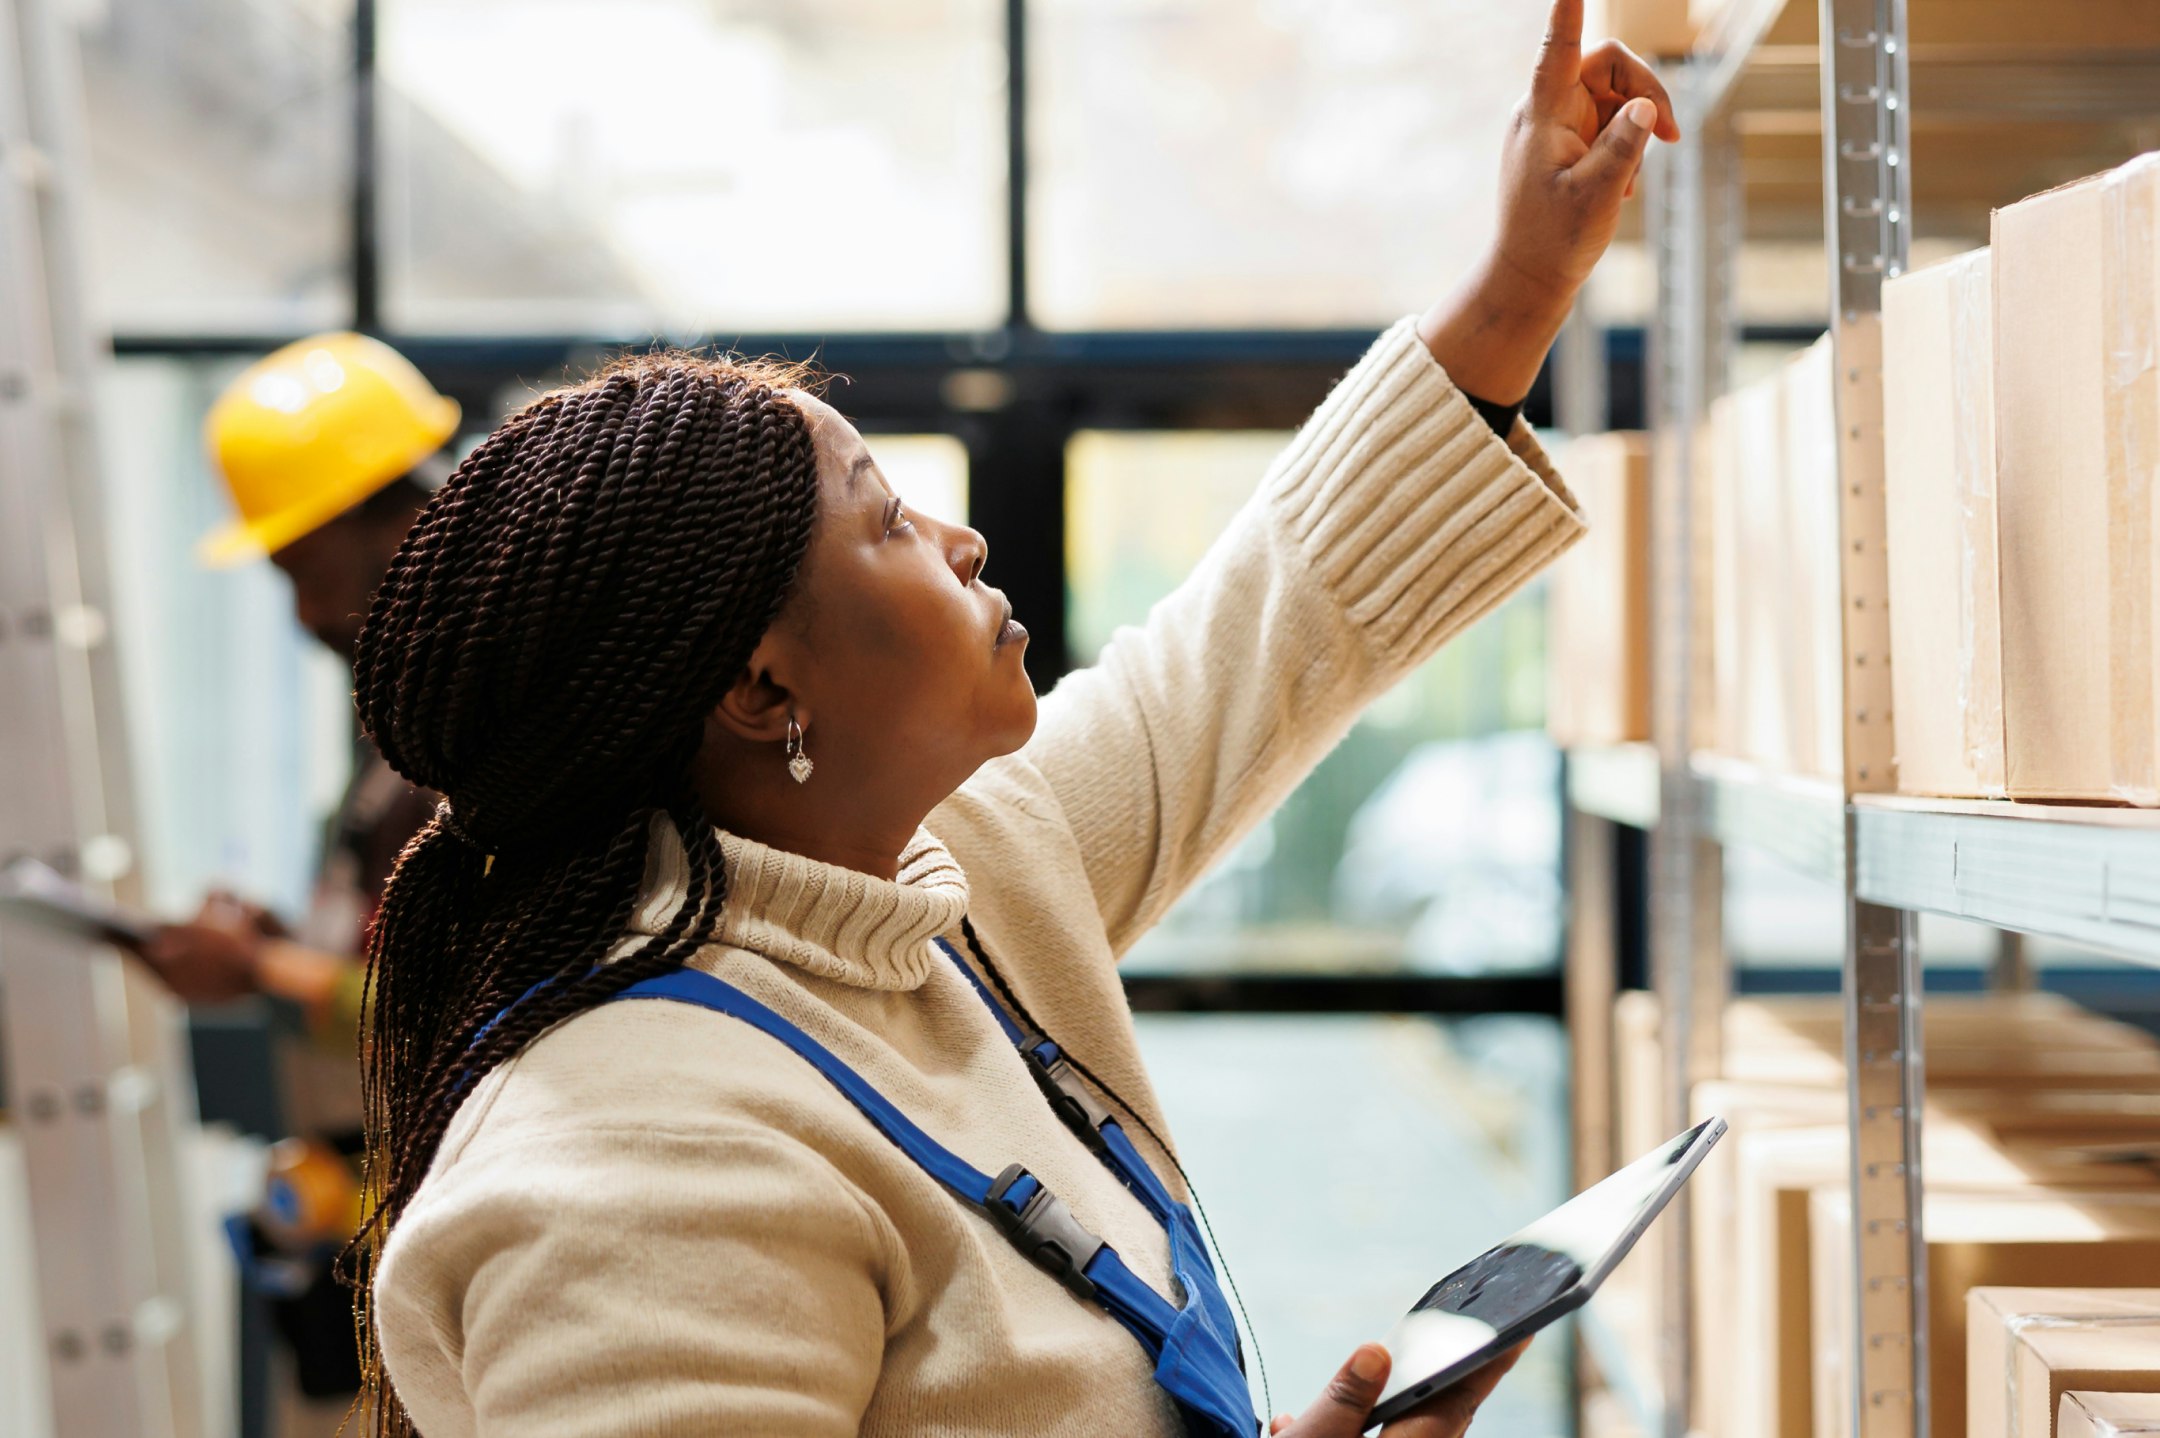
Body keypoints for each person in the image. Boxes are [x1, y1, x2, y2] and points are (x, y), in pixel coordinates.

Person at [355, 7, 1677, 1435]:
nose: (965, 537)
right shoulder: (633, 1172)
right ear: (762, 688)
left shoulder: (938, 888)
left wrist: (1519, 286)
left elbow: (1256, 637)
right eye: (887, 521)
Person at [141, 332, 456, 1407]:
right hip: (370, 1238)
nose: (310, 617)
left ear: (399, 520)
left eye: (309, 575)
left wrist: (259, 968)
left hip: (432, 1251)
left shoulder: (485, 738)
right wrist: (278, 944)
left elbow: (465, 1010)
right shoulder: (403, 728)